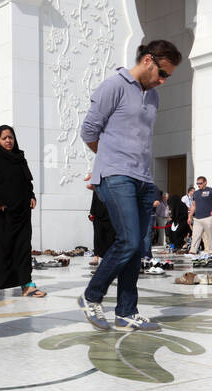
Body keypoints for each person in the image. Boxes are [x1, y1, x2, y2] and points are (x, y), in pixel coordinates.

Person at [77, 39, 182, 333]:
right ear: (148, 60)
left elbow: (141, 140)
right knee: (129, 241)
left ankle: (126, 312)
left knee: (137, 250)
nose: (163, 81)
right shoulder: (114, 86)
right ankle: (91, 296)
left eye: (168, 77)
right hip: (116, 176)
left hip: (143, 180)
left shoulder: (153, 98)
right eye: (162, 73)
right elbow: (88, 131)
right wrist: (109, 162)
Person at [0, 124, 43, 297]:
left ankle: (27, 284)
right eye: (4, 138)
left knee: (23, 248)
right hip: (1, 215)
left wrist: (31, 196)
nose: (9, 141)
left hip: (22, 213)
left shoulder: (20, 158)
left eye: (11, 137)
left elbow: (26, 181)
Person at [188, 175, 212, 254]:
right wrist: (190, 216)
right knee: (195, 235)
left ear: (205, 182)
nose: (199, 185)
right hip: (197, 218)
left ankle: (211, 251)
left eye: (200, 183)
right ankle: (192, 251)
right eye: (197, 183)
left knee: (210, 235)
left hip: (208, 217)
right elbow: (193, 205)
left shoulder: (211, 190)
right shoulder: (195, 193)